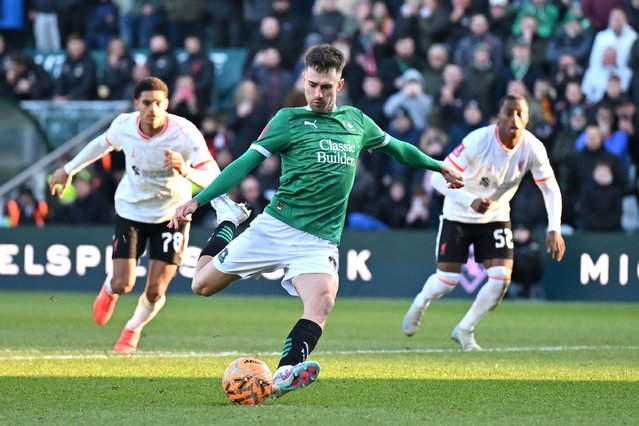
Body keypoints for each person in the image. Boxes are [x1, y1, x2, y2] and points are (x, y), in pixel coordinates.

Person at [168, 44, 464, 398]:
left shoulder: (357, 122)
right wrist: (197, 200)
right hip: (275, 228)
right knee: (201, 285)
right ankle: (229, 220)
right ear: (303, 80)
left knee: (322, 302)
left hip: (319, 241)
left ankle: (283, 374)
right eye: (312, 85)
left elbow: (398, 148)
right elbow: (243, 164)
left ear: (339, 85)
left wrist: (438, 165)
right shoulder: (287, 120)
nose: (318, 93)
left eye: (326, 86)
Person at [48, 76, 250, 354]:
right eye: (146, 103)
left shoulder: (185, 132)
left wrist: (186, 171)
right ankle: (109, 289)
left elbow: (216, 178)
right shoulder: (124, 126)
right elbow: (101, 144)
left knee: (155, 290)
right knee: (123, 283)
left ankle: (132, 330)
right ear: (137, 104)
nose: (153, 109)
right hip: (131, 210)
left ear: (166, 103)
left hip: (172, 214)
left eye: (158, 103)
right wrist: (68, 169)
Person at [402, 94, 566, 351]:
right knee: (447, 280)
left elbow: (551, 189)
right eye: (509, 113)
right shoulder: (477, 141)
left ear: (527, 118)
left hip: (495, 216)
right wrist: (470, 201)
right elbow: (436, 180)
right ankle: (421, 302)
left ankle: (465, 329)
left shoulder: (533, 148)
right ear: (498, 118)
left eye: (520, 113)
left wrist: (554, 227)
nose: (514, 118)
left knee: (501, 279)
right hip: (459, 213)